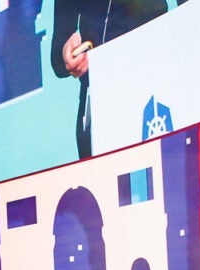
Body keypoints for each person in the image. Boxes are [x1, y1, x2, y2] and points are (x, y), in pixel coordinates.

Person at [51, 0, 174, 159]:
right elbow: (58, 58)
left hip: (155, 83)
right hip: (98, 99)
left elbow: (194, 15)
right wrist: (67, 52)